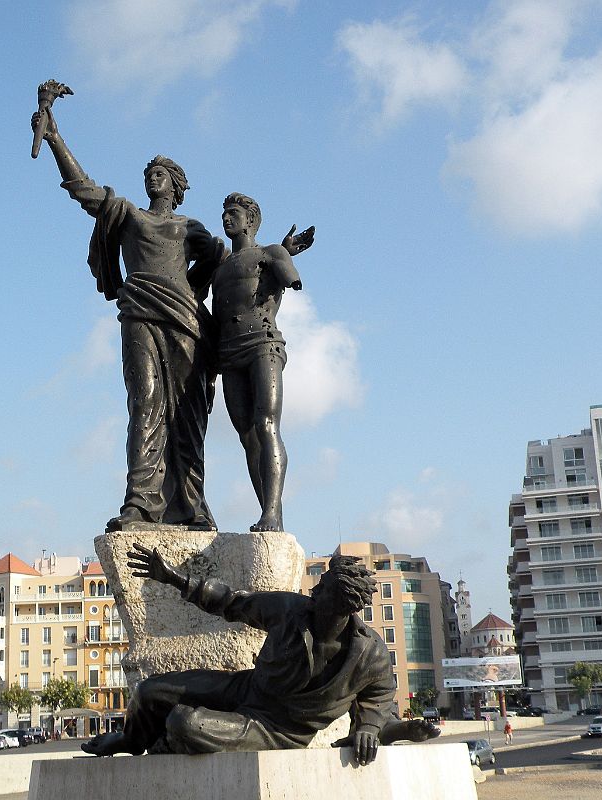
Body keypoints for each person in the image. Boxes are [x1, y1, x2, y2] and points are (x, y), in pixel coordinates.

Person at [33, 104, 221, 532]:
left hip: (184, 321)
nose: (152, 177)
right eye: (149, 173)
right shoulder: (129, 214)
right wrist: (55, 138)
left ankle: (192, 505)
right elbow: (84, 190)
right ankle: (140, 502)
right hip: (139, 313)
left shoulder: (190, 227)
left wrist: (193, 290)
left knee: (187, 413)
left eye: (161, 173)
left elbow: (219, 261)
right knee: (145, 402)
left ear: (175, 186)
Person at [81, 549, 399, 764]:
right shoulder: (292, 609)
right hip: (247, 688)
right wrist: (174, 578)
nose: (314, 590)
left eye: (323, 587)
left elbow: (380, 694)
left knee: (184, 723)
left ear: (341, 604)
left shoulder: (369, 654)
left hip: (276, 729)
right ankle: (131, 741)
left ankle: (175, 742)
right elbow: (232, 602)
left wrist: (368, 728)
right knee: (148, 691)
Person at [211, 193, 312, 531]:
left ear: (251, 220)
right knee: (247, 436)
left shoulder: (270, 252)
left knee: (266, 424)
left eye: (233, 213)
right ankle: (271, 514)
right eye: (224, 214)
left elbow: (289, 277)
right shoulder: (220, 267)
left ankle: (270, 513)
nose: (226, 219)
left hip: (262, 344)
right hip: (228, 352)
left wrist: (284, 256)